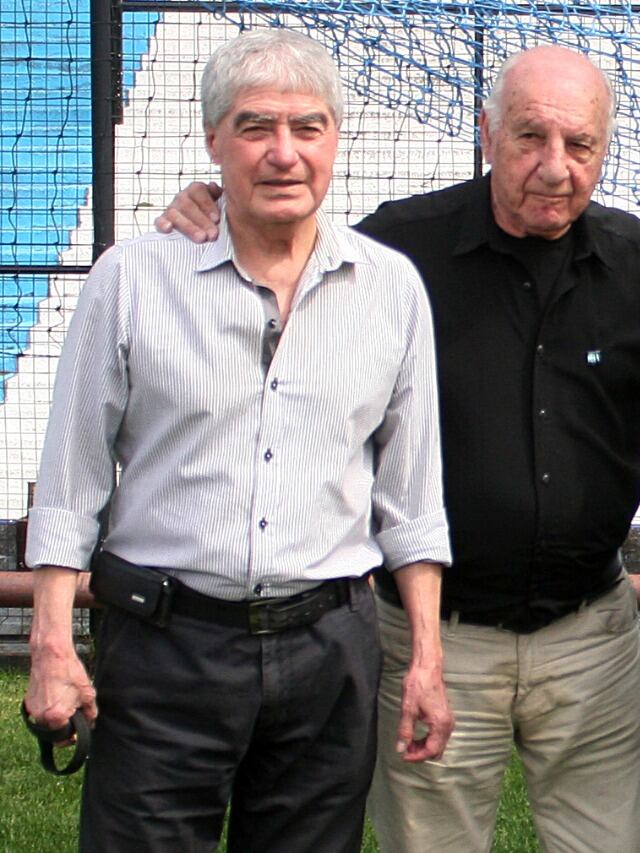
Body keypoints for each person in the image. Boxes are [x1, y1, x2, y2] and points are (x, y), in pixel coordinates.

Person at [158, 45, 640, 853]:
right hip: (431, 637)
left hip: (591, 638)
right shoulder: (391, 253)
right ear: (485, 134)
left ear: (605, 149)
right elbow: (272, 254)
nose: (555, 168)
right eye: (529, 139)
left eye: (579, 145)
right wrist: (208, 206)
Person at [22, 29, 452, 852]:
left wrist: (425, 660)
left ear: (337, 139)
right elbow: (72, 485)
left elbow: (412, 499)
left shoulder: (390, 289)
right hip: (163, 649)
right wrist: (50, 646)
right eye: (256, 127)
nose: (283, 153)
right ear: (213, 138)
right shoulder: (133, 279)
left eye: (308, 127)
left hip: (331, 650)